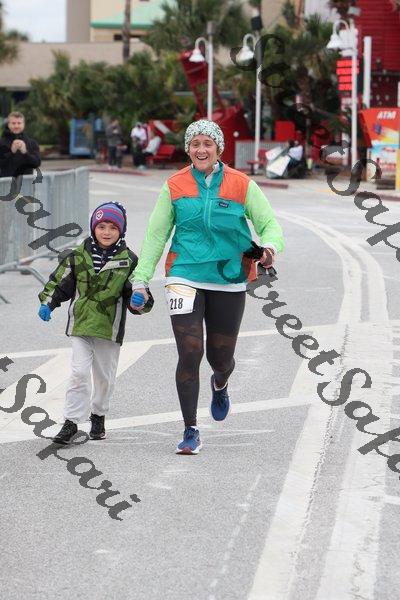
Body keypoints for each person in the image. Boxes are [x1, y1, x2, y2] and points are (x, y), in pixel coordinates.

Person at [130, 119, 284, 455]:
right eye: (195, 144)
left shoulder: (242, 184)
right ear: (188, 149)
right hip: (184, 274)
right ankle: (190, 429)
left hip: (229, 279)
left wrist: (269, 249)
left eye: (207, 144)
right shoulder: (175, 185)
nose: (201, 150)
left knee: (220, 358)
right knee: (189, 352)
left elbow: (269, 224)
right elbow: (156, 235)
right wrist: (141, 279)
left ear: (219, 149)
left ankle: (221, 382)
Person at [38, 202, 153, 445]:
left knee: (104, 378)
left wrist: (139, 301)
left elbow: (140, 294)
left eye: (113, 227)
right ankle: (71, 422)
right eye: (101, 226)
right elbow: (59, 283)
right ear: (93, 228)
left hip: (108, 330)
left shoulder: (129, 261)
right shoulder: (77, 256)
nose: (106, 232)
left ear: (121, 231)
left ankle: (98, 415)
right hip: (81, 325)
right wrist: (48, 303)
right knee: (78, 373)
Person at [0, 111, 41, 178]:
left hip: (26, 183)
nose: (16, 126)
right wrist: (11, 152)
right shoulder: (1, 142)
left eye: (19, 123)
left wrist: (25, 153)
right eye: (13, 123)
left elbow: (36, 164)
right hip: (6, 183)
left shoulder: (32, 143)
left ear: (23, 124)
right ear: (8, 124)